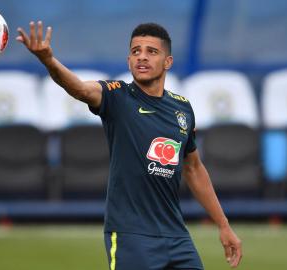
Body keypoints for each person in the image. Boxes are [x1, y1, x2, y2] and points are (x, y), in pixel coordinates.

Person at [17, 21, 242, 270]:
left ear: (168, 62)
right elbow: (80, 89)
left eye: (151, 51)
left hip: (177, 237)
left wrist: (223, 225)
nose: (142, 58)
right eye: (136, 51)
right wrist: (49, 60)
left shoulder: (182, 109)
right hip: (131, 237)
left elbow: (194, 169)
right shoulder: (118, 97)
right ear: (128, 60)